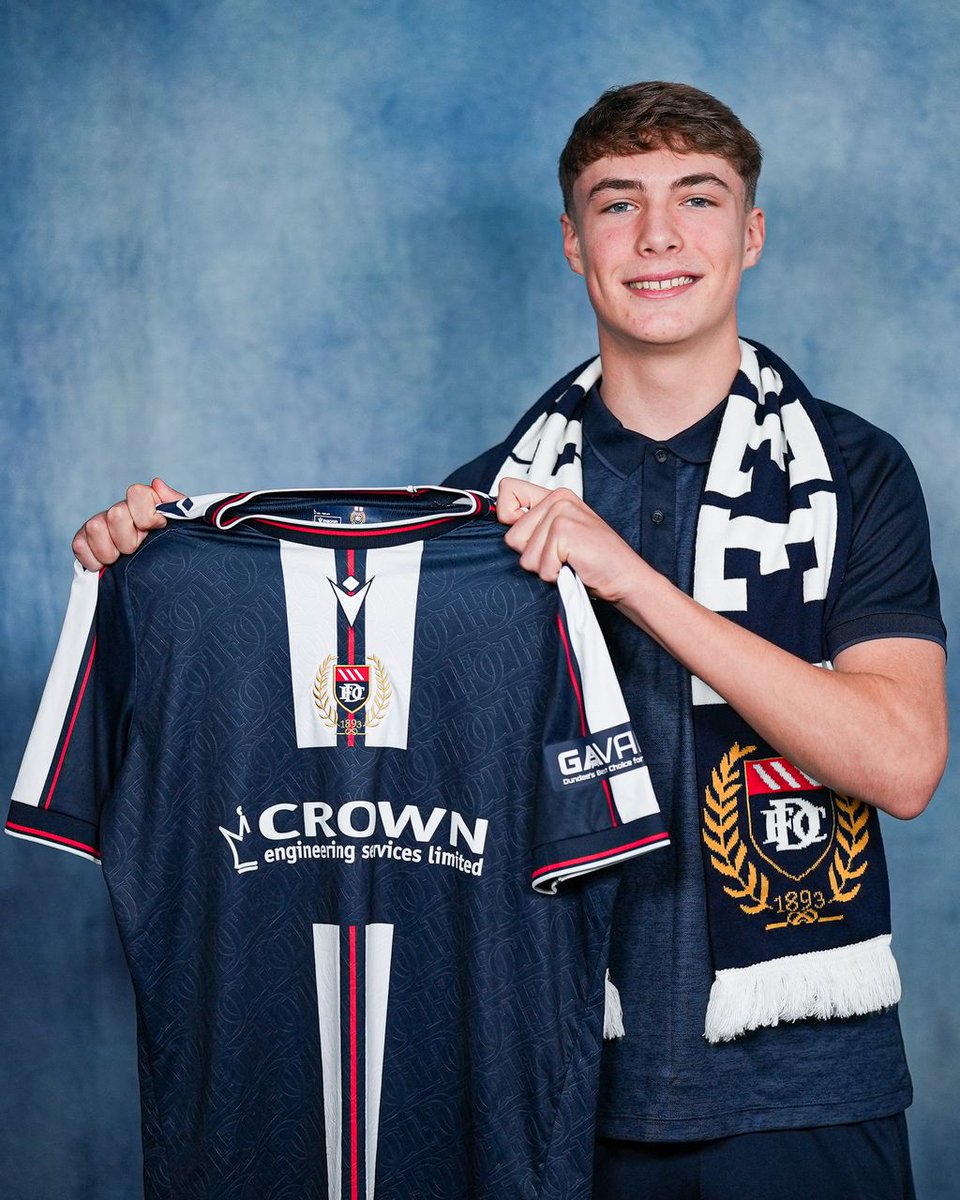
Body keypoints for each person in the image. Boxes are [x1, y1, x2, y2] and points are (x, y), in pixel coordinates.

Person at [72, 82, 946, 1199]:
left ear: (752, 233)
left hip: (809, 1086)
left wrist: (631, 581)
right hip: (549, 1087)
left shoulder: (855, 473)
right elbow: (368, 778)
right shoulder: (482, 513)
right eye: (618, 203)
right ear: (575, 243)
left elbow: (902, 762)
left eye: (698, 198)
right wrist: (159, 564)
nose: (659, 235)